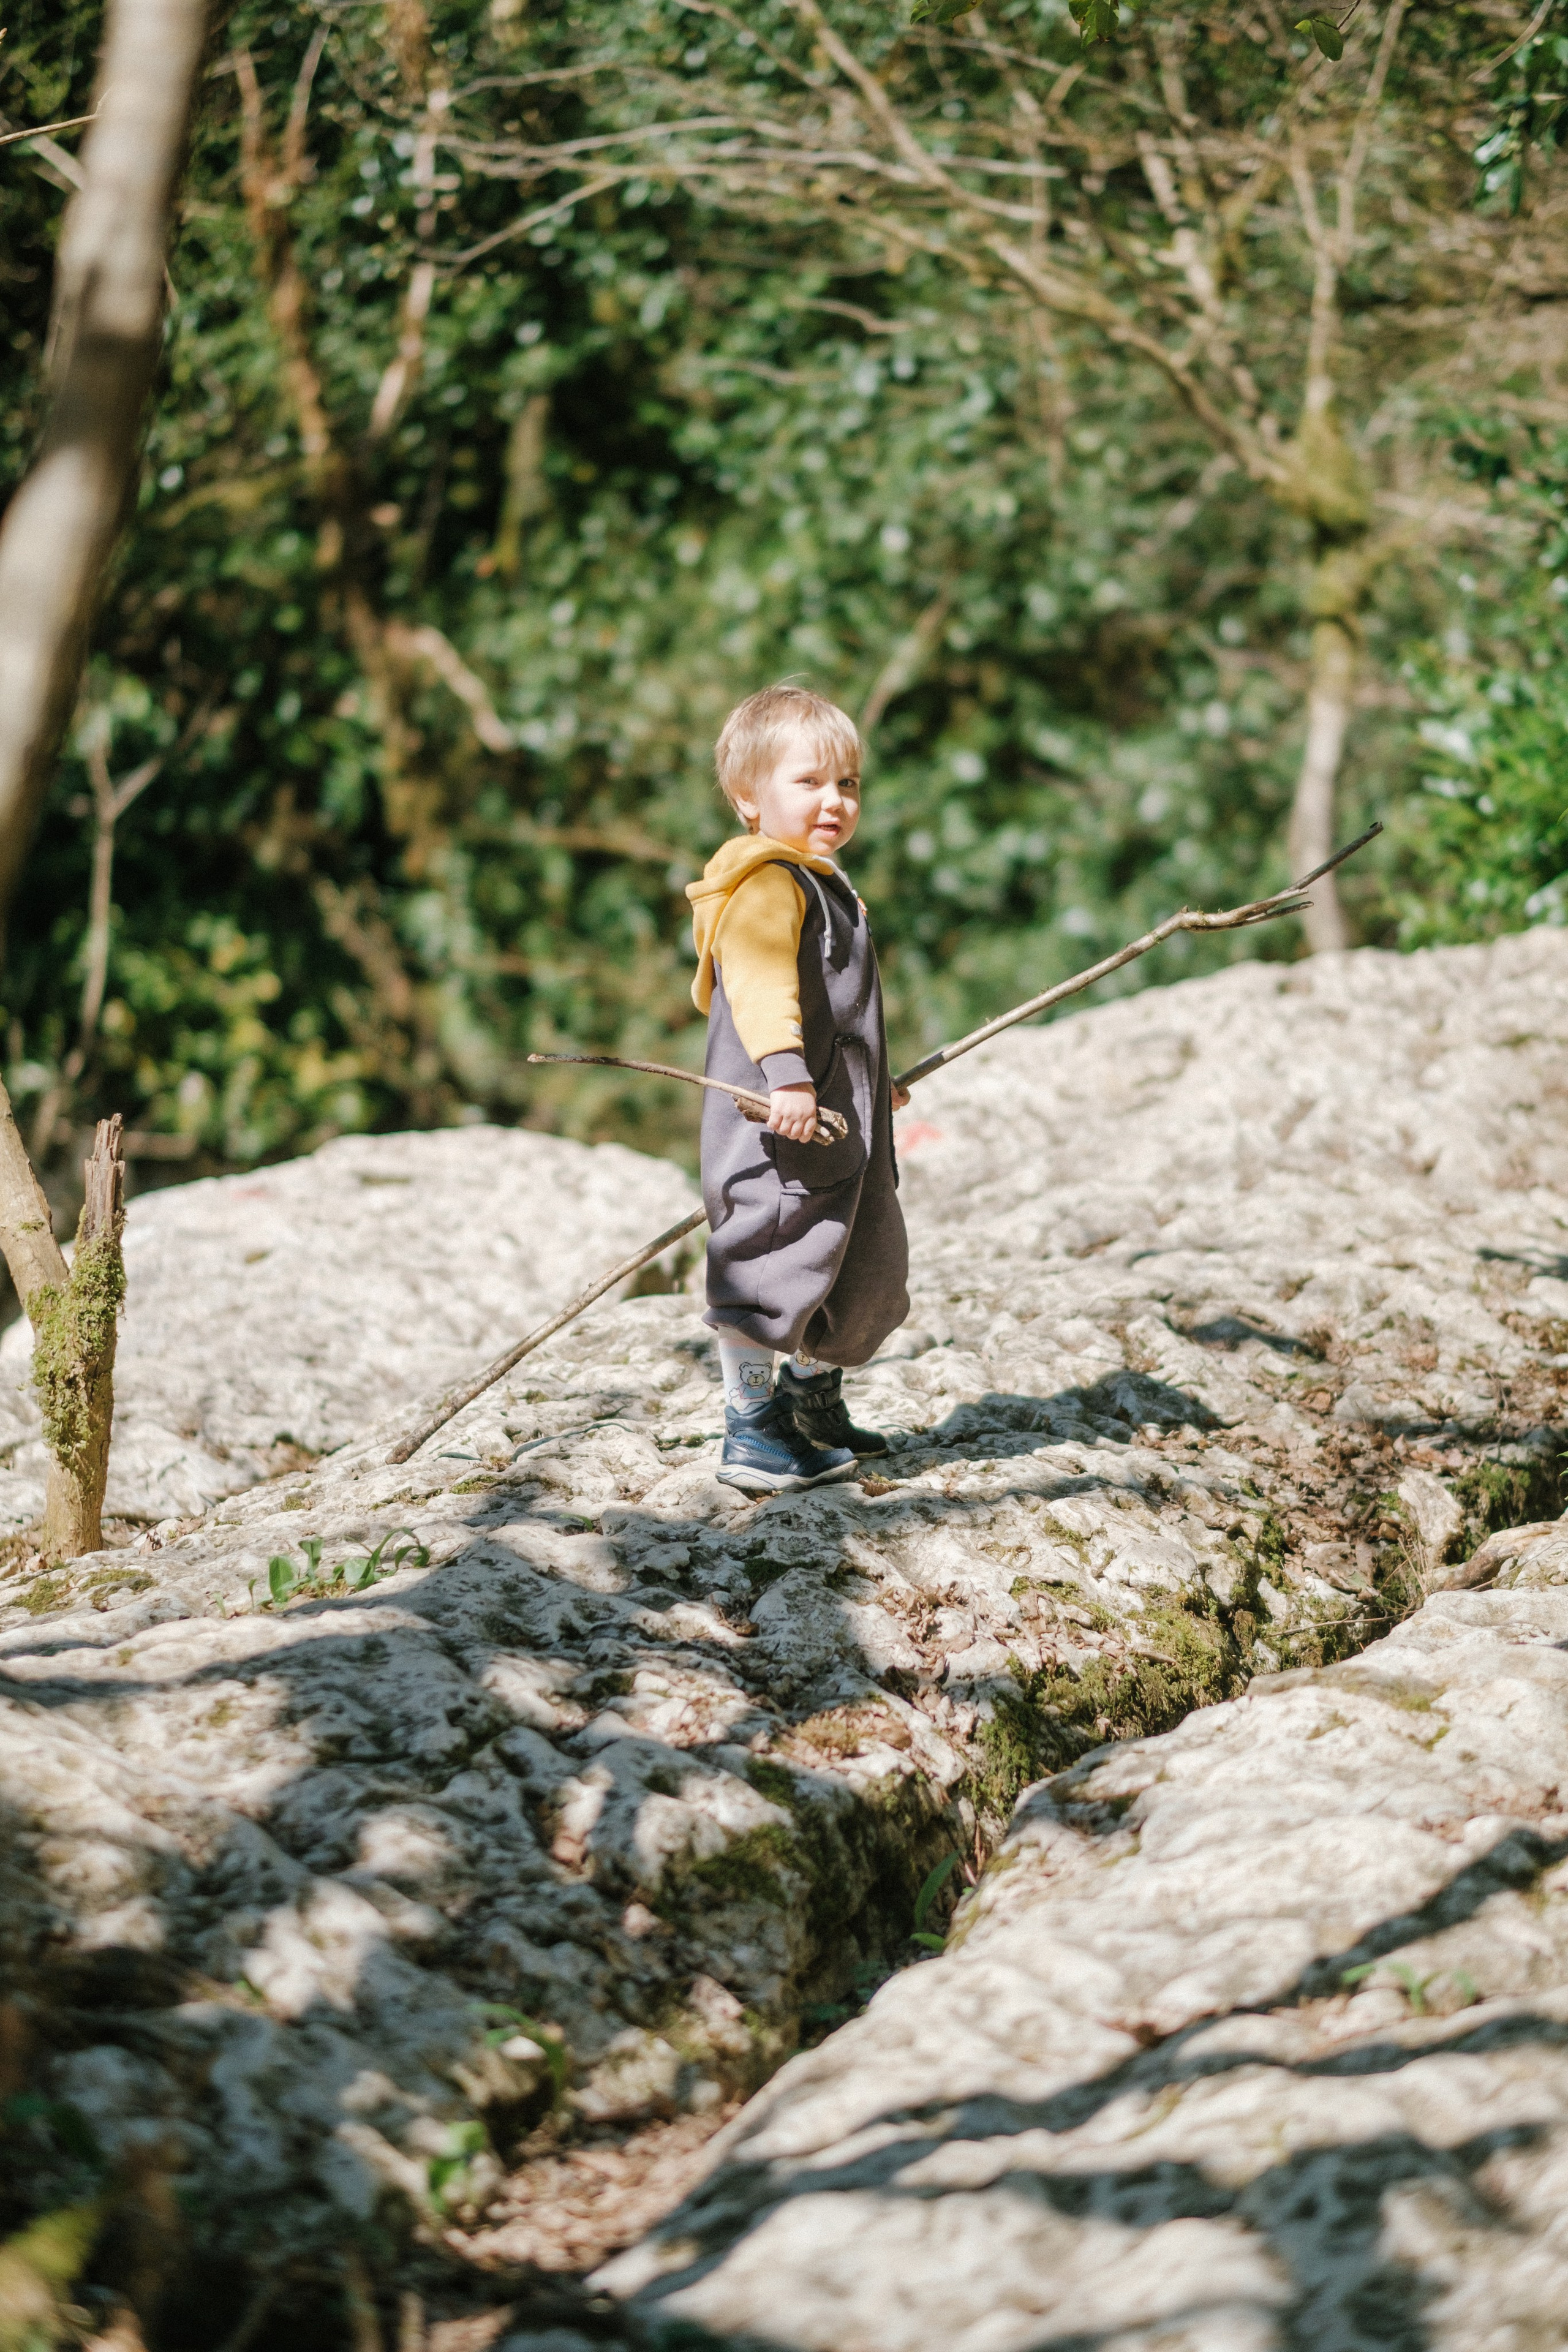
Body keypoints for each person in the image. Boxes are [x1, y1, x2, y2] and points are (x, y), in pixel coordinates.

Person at [687, 682, 911, 1495]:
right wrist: (785, 1076)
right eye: (809, 782)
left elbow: (843, 1008)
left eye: (847, 784)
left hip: (839, 1119)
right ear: (749, 797)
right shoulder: (764, 883)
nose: (834, 799)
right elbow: (760, 987)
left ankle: (813, 1402)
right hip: (778, 1122)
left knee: (863, 1262)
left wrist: (874, 1083)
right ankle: (751, 1429)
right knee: (773, 1254)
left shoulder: (829, 885)